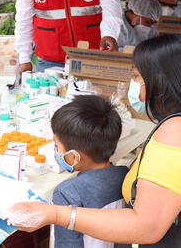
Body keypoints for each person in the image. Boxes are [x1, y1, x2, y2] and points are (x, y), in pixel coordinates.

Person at [9, 34, 181, 247]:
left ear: (162, 82)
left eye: (136, 77)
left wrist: (56, 214)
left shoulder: (178, 131)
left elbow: (147, 227)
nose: (134, 85)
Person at [50, 95, 130, 248]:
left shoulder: (67, 193)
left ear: (74, 157)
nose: (56, 151)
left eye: (57, 146)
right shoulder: (124, 174)